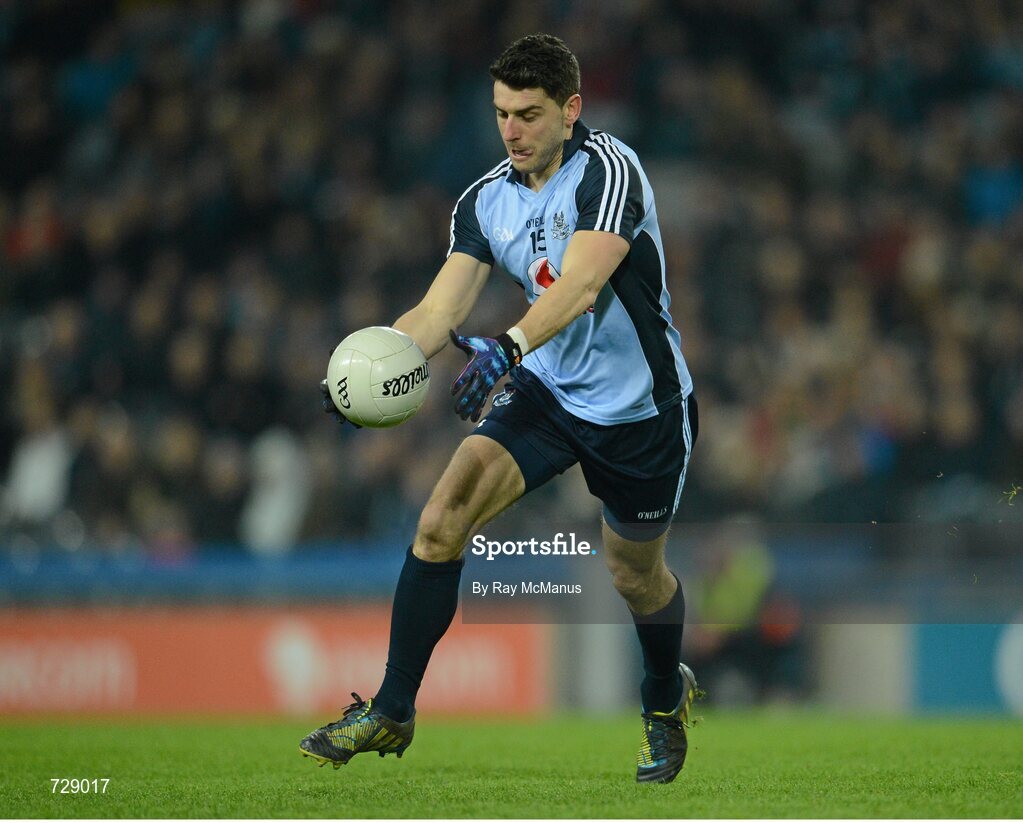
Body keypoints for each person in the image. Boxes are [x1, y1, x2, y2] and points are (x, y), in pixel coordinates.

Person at [300, 33, 699, 784]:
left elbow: (580, 286)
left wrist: (507, 346)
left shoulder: (609, 173)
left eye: (528, 113)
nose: (511, 130)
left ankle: (660, 698)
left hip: (639, 407)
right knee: (440, 517)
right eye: (500, 114)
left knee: (634, 575)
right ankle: (391, 708)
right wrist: (365, 367)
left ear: (570, 109)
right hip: (546, 389)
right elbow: (437, 308)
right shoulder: (484, 199)